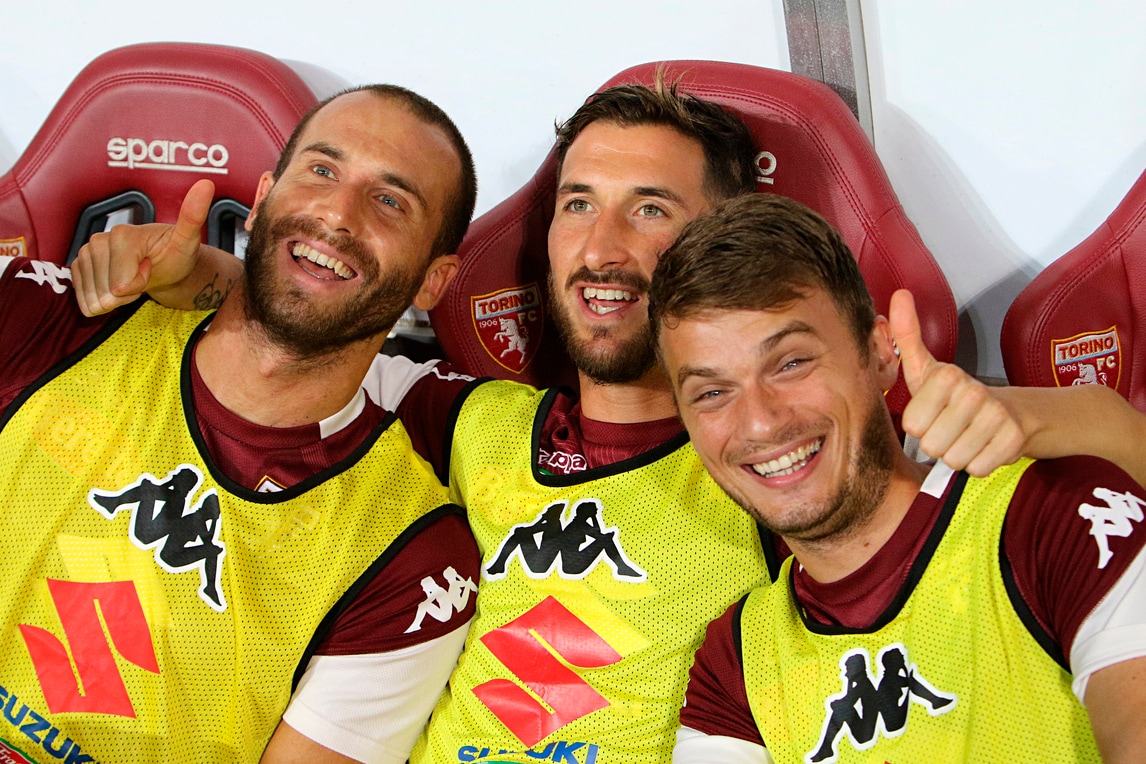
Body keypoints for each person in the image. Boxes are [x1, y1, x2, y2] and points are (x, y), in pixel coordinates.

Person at [71, 78, 1146, 764]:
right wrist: (200, 270)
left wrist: (1006, 411)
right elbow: (317, 338)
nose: (602, 246)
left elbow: (1105, 458)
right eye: (578, 204)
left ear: (726, 244)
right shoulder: (468, 417)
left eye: (652, 210)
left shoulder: (776, 442)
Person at [0, 85, 483, 764]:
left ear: (434, 281)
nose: (337, 213)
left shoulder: (412, 557)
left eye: (390, 201)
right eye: (321, 170)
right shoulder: (36, 317)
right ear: (260, 201)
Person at [649, 192, 1146, 763]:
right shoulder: (734, 660)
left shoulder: (1055, 519)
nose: (760, 422)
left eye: (791, 363)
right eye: (712, 393)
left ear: (881, 354)